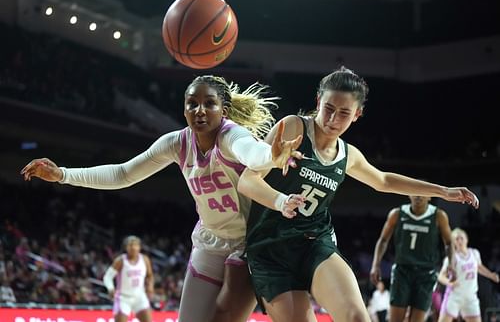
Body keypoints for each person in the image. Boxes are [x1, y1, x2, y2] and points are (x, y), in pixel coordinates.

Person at [20, 75, 302, 322]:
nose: (199, 110)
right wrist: (63, 174)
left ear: (224, 111)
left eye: (209, 104)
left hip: (251, 242)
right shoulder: (177, 143)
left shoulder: (232, 136)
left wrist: (272, 156)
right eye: (192, 104)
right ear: (184, 109)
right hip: (211, 240)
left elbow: (251, 152)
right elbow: (122, 174)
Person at [237, 66, 479, 322]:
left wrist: (442, 191)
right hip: (269, 246)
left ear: (357, 115)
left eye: (344, 113)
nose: (332, 120)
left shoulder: (348, 154)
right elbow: (247, 180)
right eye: (329, 108)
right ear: (318, 101)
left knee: (356, 317)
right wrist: (281, 201)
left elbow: (383, 180)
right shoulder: (293, 128)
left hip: (313, 242)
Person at [370, 195, 453, 322]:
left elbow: (448, 242)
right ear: (409, 194)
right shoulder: (397, 213)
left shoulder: (439, 215)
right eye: (415, 191)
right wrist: (375, 265)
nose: (418, 195)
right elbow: (383, 240)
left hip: (426, 273)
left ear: (430, 197)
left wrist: (451, 264)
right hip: (402, 271)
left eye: (422, 192)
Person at [437, 228, 499, 322]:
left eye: (461, 238)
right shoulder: (451, 258)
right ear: (453, 242)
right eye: (456, 239)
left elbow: (479, 267)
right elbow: (440, 276)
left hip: (470, 296)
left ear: (466, 239)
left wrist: (491, 275)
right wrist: (449, 283)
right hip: (455, 296)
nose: (459, 241)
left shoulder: (474, 253)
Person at [103, 236, 154, 322]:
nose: (133, 247)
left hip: (139, 296)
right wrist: (110, 288)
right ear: (126, 247)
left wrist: (150, 287)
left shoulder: (145, 260)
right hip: (123, 298)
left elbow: (150, 276)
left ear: (139, 247)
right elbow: (107, 277)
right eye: (130, 245)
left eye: (135, 245)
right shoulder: (120, 261)